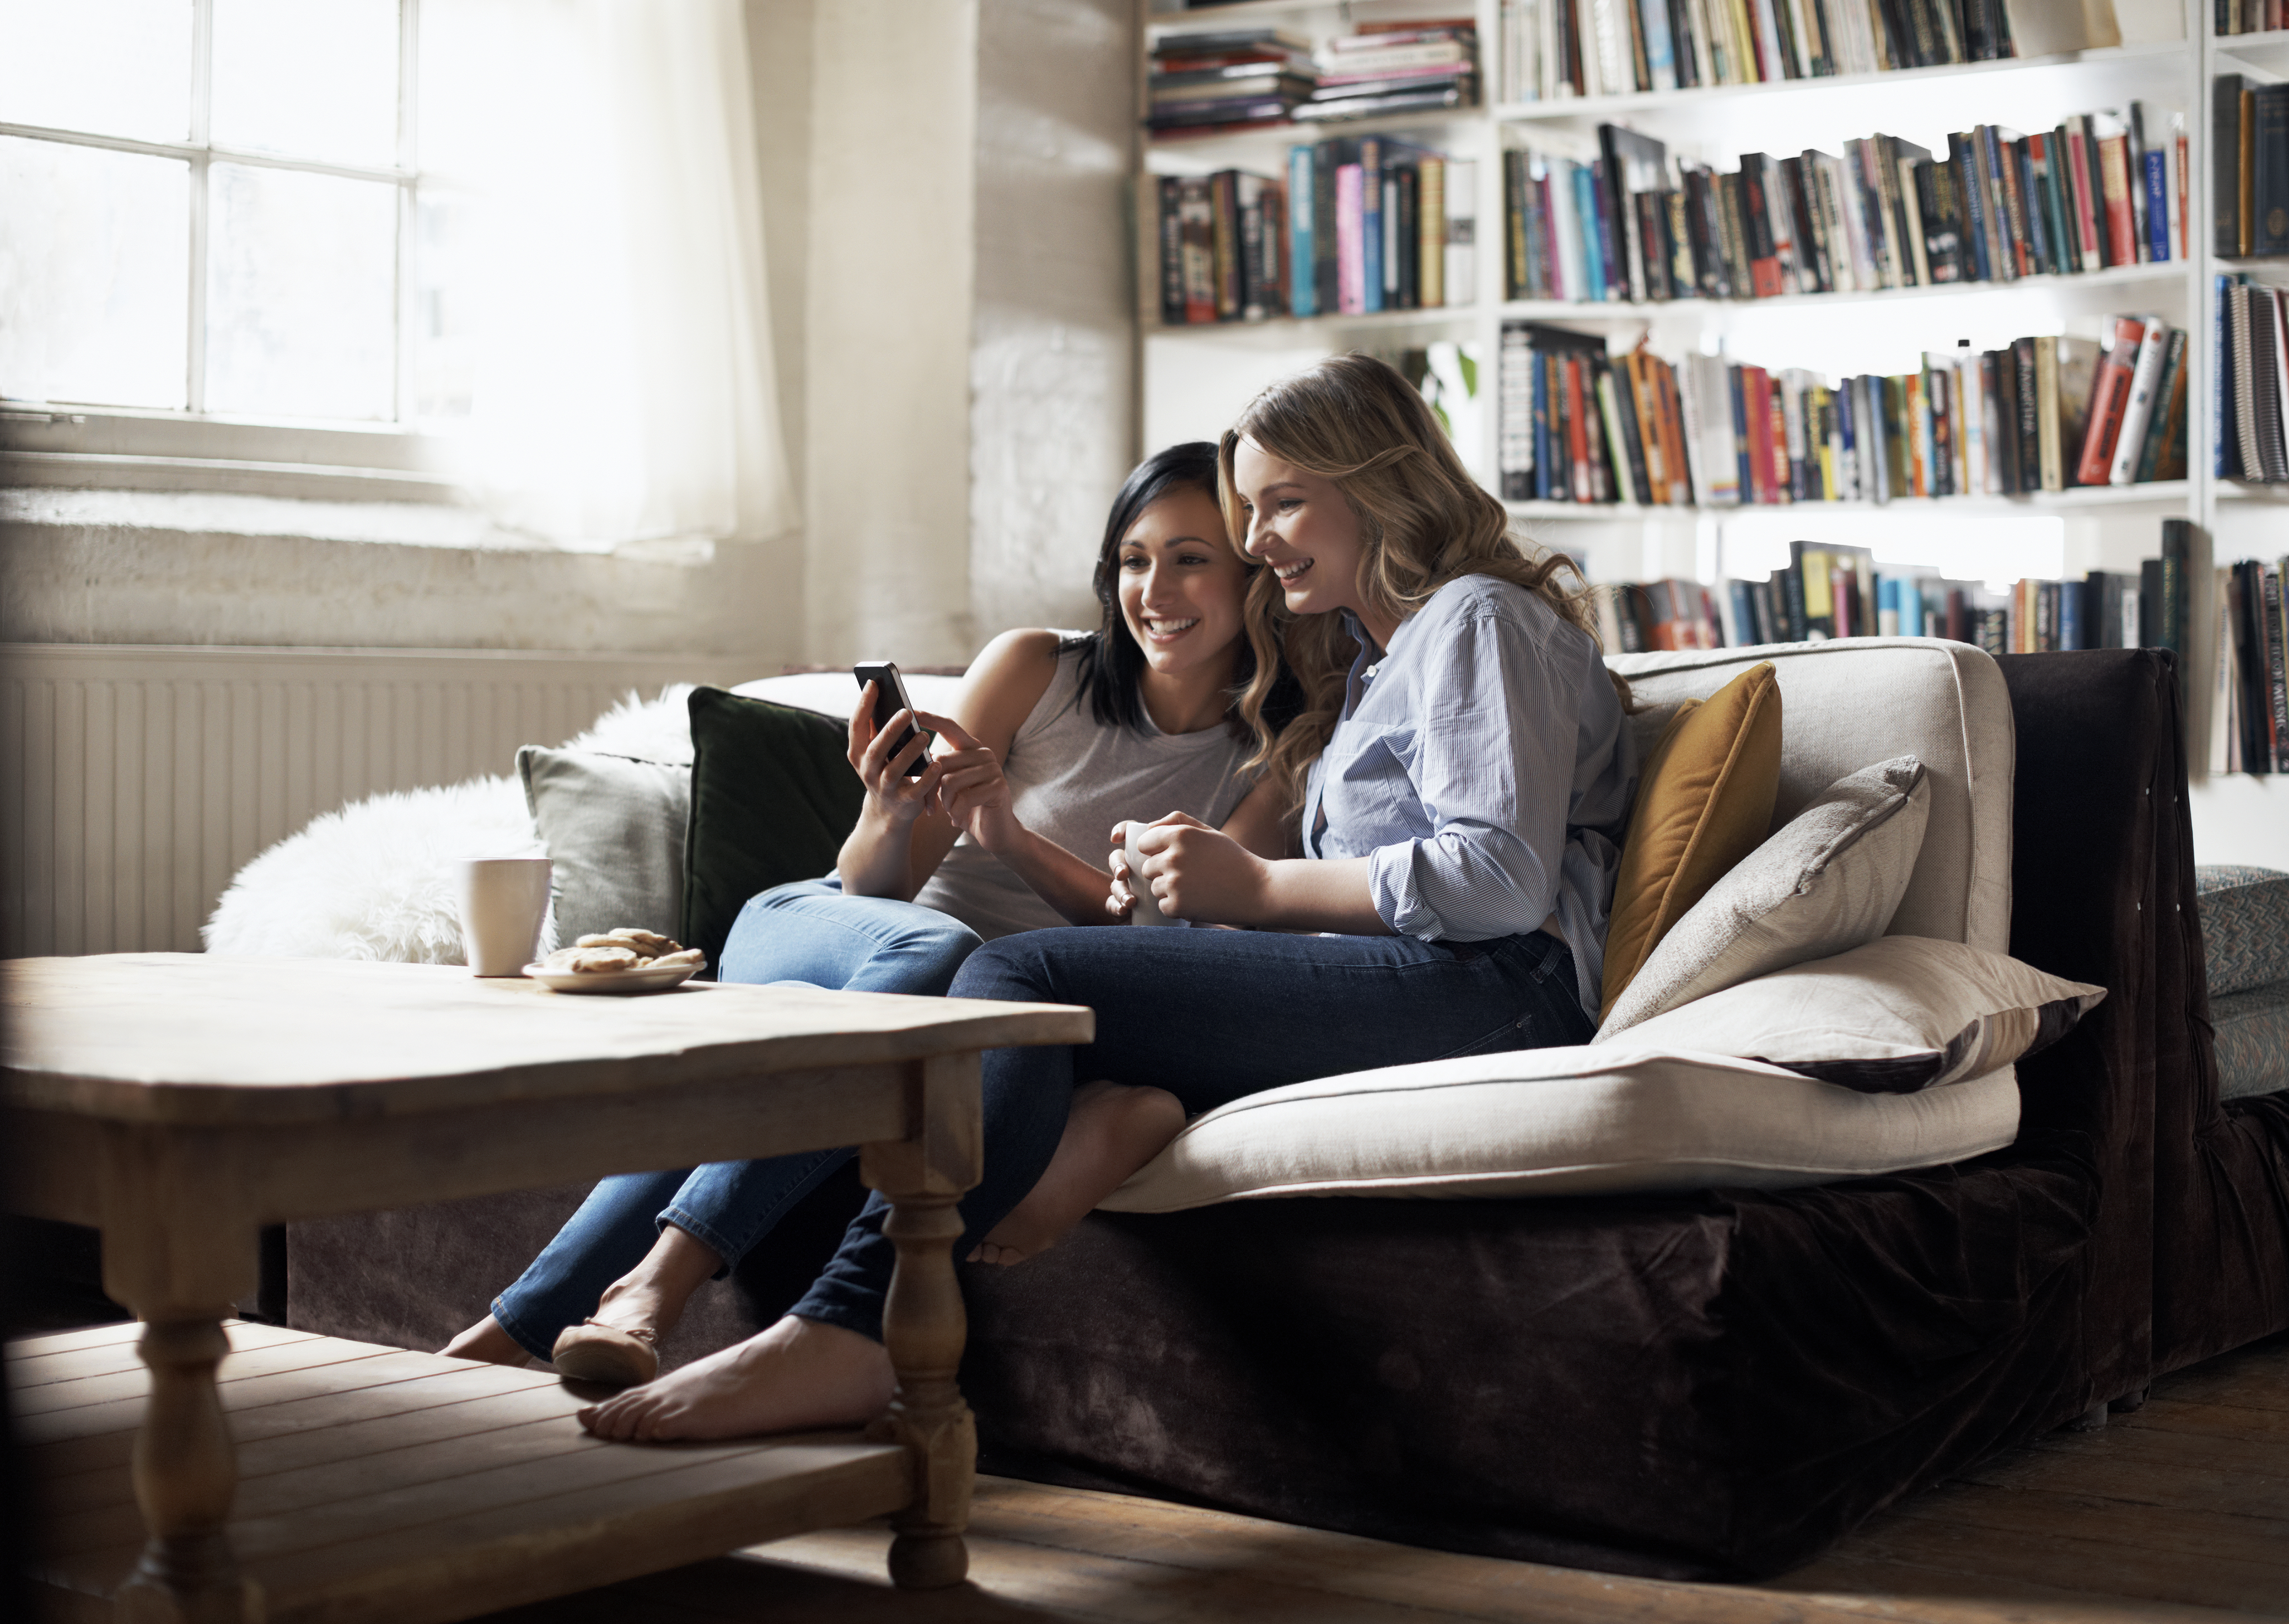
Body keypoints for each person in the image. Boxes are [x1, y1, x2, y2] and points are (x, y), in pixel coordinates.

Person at [577, 352, 1637, 1443]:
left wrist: (1263, 888)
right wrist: (1196, 892)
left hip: (1499, 989)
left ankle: (844, 1334)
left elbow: (1499, 882)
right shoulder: (1378, 660)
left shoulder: (1474, 619)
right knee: (993, 1018)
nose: (1260, 541)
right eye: (1249, 509)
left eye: (1281, 504)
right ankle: (1093, 1130)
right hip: (1429, 975)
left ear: (1376, 484)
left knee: (1019, 975)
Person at [440, 442, 1299, 1385]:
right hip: (827, 932)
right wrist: (891, 811)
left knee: (902, 1021)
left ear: (1254, 574)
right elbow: (873, 893)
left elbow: (1163, 947)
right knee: (939, 946)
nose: (1153, 590)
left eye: (1189, 558)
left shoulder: (1278, 752)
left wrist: (1008, 838)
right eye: (1133, 560)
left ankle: (506, 1333)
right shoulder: (1032, 669)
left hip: (962, 1016)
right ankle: (653, 1284)